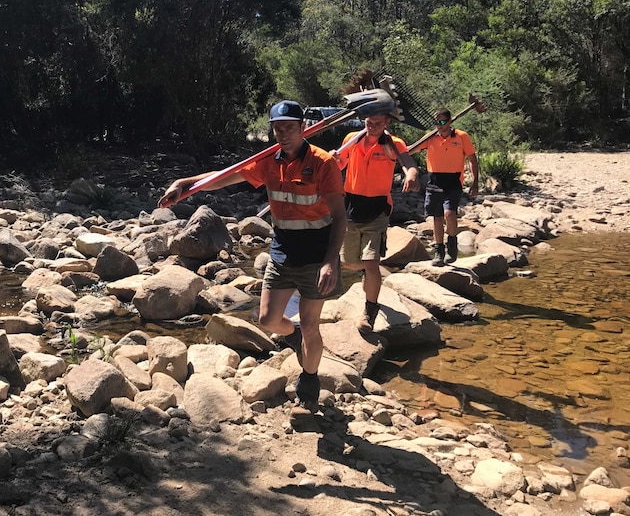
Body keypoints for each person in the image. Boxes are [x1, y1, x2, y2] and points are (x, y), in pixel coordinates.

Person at [158, 100, 346, 409]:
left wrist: (330, 262)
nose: (283, 134)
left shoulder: (323, 163)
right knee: (268, 319)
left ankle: (309, 381)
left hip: (316, 254)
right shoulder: (267, 162)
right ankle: (295, 336)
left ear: (302, 128)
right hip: (283, 251)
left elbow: (340, 217)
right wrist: (186, 183)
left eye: (289, 128)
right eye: (277, 129)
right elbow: (226, 176)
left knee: (313, 325)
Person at [330, 113, 420, 334]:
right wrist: (333, 158)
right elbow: (340, 164)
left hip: (378, 209)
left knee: (371, 263)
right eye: (370, 121)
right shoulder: (352, 138)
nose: (373, 126)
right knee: (350, 262)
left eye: (378, 123)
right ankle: (368, 274)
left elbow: (408, 162)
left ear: (387, 122)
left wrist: (412, 175)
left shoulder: (393, 143)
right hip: (350, 205)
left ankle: (370, 310)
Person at [409, 107, 479, 266]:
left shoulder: (461, 137)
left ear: (449, 121)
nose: (439, 125)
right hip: (434, 180)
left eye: (442, 122)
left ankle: (452, 247)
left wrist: (475, 183)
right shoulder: (430, 138)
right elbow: (409, 150)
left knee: (449, 213)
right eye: (436, 122)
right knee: (437, 216)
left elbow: (473, 160)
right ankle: (439, 252)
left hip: (453, 180)